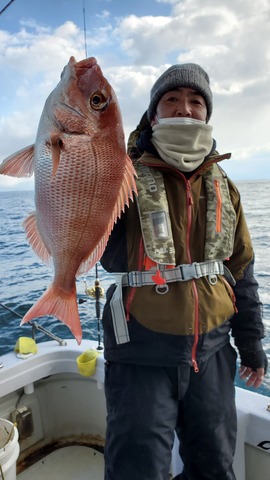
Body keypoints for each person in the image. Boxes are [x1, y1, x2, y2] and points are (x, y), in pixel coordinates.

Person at [100, 63, 268, 480]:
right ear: (154, 114)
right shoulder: (120, 173)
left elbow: (240, 271)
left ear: (206, 114)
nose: (184, 109)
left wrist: (252, 345)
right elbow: (106, 255)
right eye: (171, 100)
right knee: (136, 469)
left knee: (214, 465)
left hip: (212, 352)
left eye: (196, 101)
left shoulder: (224, 185)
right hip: (140, 350)